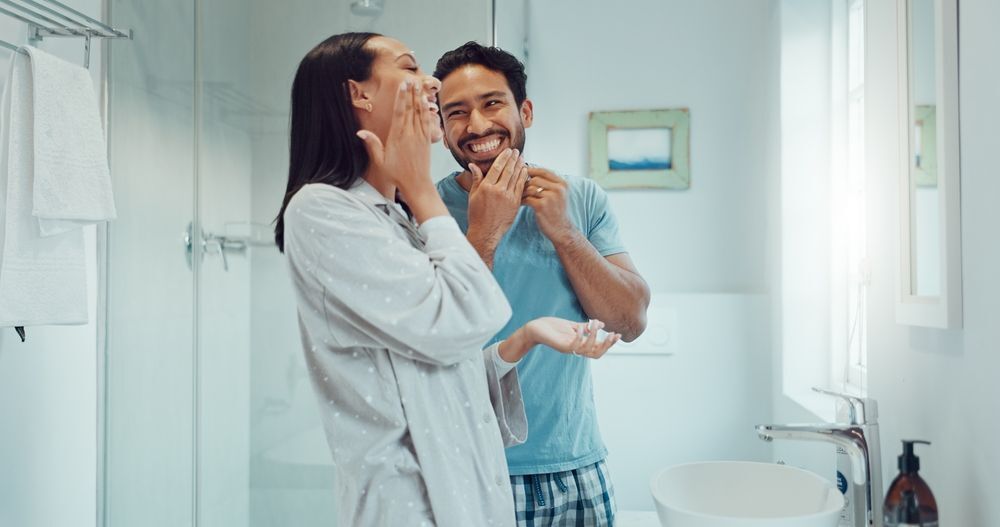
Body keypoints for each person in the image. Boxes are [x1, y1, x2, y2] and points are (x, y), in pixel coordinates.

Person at [275, 33, 621, 527]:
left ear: (526, 111)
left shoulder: (390, 214)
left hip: (474, 484)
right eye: (410, 68)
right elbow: (456, 326)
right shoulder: (326, 209)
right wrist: (424, 192)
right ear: (360, 94)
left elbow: (433, 370)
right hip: (413, 500)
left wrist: (526, 336)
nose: (430, 84)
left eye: (493, 103)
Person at [434, 42, 651, 526]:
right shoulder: (422, 210)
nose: (477, 126)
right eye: (457, 112)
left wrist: (566, 232)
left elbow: (630, 320)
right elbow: (431, 338)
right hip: (466, 466)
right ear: (441, 127)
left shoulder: (581, 198)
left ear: (524, 111)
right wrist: (484, 233)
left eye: (492, 103)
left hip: (574, 465)